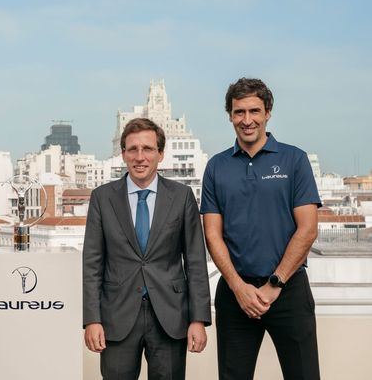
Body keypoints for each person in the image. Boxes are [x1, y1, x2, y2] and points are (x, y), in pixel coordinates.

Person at [201, 78, 322, 379]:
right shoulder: (216, 167)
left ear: (268, 112)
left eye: (254, 111)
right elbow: (212, 234)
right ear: (229, 115)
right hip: (234, 294)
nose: (247, 120)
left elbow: (307, 230)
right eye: (239, 112)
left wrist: (274, 285)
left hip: (288, 290)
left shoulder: (295, 160)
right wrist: (239, 287)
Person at [83, 118, 211, 380]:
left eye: (148, 149)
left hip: (171, 317)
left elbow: (196, 261)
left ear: (160, 154)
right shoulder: (102, 197)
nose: (140, 157)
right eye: (133, 149)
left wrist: (198, 319)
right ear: (123, 154)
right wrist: (92, 320)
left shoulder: (182, 195)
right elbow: (92, 264)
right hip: (116, 318)